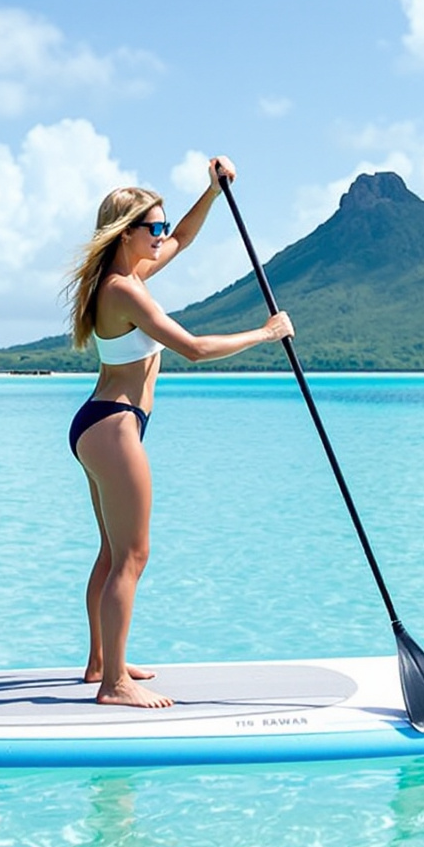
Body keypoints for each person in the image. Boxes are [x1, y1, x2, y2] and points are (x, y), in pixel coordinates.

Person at [65, 159, 293, 708]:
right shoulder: (125, 290)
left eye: (163, 226)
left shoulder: (127, 278)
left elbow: (186, 238)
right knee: (133, 556)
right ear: (126, 232)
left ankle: (101, 662)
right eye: (155, 228)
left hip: (100, 424)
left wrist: (212, 192)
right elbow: (192, 348)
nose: (164, 236)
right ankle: (114, 686)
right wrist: (264, 334)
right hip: (114, 427)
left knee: (112, 551)